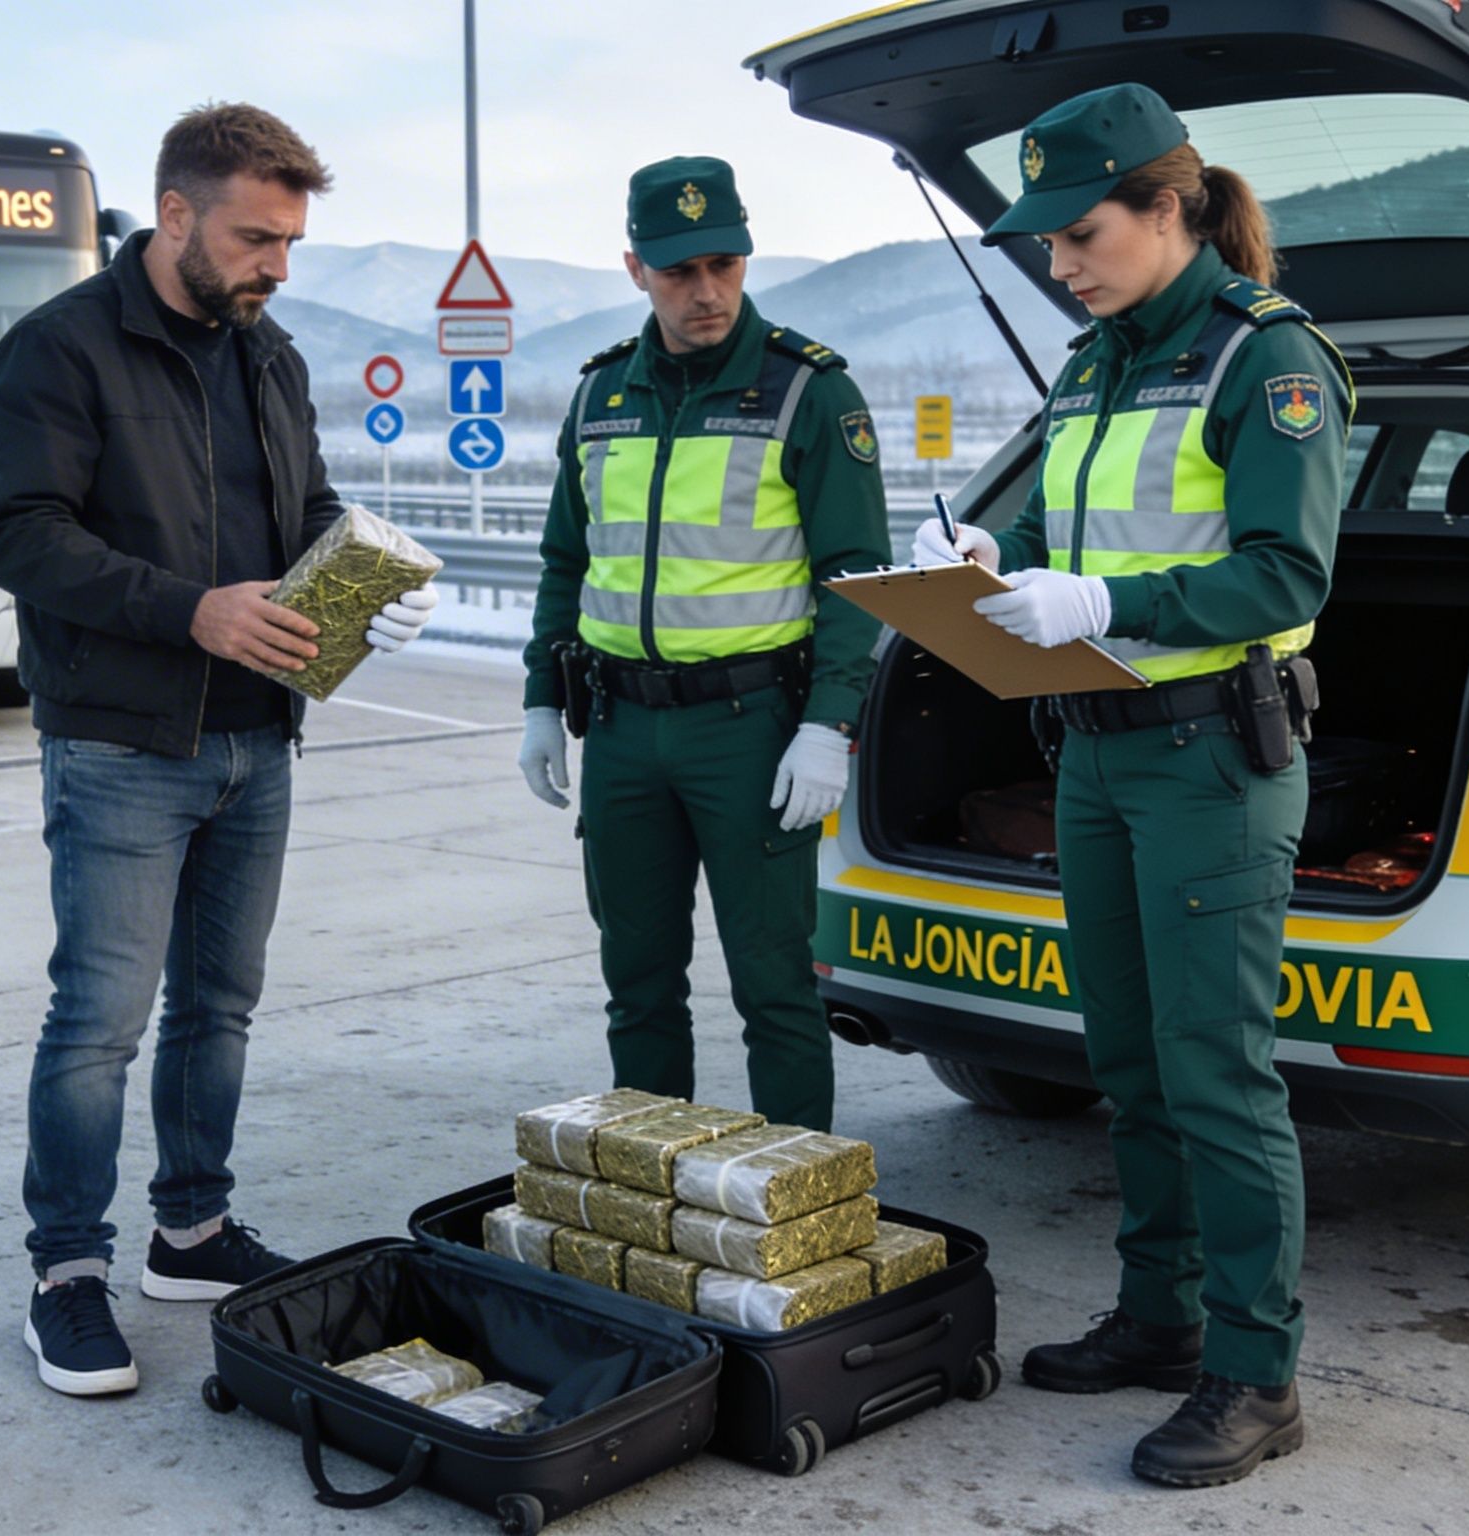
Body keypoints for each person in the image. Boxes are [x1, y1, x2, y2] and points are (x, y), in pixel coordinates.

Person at [914, 83, 1350, 1487]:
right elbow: (1055, 512)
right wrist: (999, 558)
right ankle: (1160, 1318)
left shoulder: (1263, 361)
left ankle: (1253, 1370)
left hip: (1207, 759)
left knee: (1215, 1073)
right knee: (1127, 1058)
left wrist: (1106, 596)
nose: (1060, 265)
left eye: (1080, 234)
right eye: (1043, 245)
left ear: (1170, 207)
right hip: (1095, 755)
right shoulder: (1094, 359)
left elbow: (1285, 572)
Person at [0, 102, 440, 1399]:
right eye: (255, 238)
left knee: (219, 1007)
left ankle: (190, 1232)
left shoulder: (267, 356)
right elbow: (17, 534)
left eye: (288, 242)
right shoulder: (59, 352)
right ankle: (67, 1274)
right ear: (173, 214)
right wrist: (191, 609)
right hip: (122, 744)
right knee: (99, 1024)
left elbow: (306, 509)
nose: (275, 266)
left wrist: (368, 569)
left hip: (257, 740)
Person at [518, 156, 890, 1134]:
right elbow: (568, 560)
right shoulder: (601, 397)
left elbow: (855, 577)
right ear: (636, 266)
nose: (707, 289)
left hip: (752, 730)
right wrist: (537, 702)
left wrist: (828, 725)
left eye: (724, 263)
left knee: (776, 988)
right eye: (681, 270)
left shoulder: (808, 390)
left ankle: (803, 1215)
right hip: (624, 732)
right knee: (637, 985)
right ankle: (658, 1209)